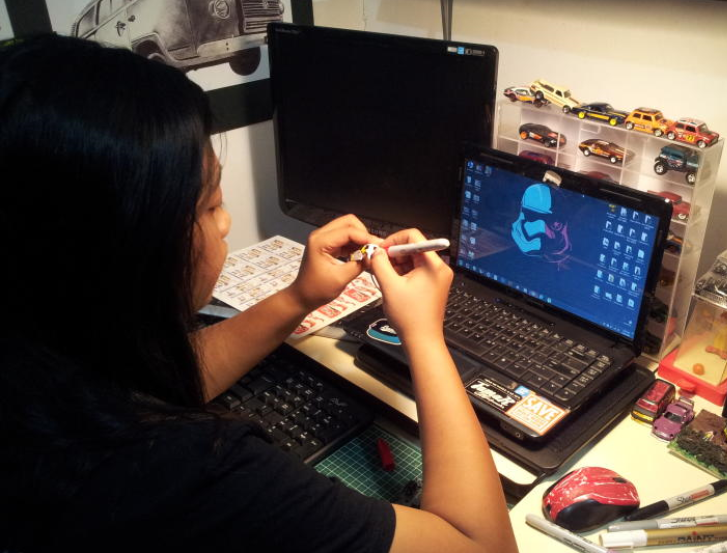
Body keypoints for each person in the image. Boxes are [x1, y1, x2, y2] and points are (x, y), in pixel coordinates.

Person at [0, 35, 518, 553]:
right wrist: (423, 335)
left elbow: (162, 379)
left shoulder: (40, 375)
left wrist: (299, 297)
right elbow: (484, 547)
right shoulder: (193, 472)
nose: (226, 223)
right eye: (209, 206)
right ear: (128, 249)